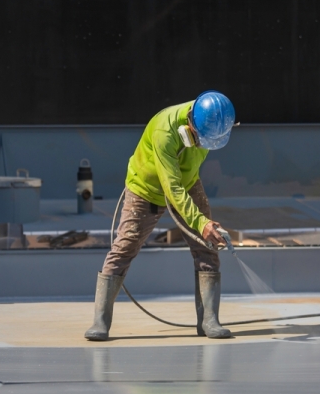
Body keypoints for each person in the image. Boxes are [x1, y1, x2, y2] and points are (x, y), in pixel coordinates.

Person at [85, 91, 236, 341]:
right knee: (124, 247)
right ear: (190, 124)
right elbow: (171, 187)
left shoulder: (211, 123)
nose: (201, 145)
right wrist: (200, 222)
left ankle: (209, 320)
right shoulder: (164, 131)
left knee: (208, 247)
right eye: (199, 139)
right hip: (146, 188)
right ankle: (100, 322)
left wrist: (204, 227)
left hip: (187, 183)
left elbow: (181, 182)